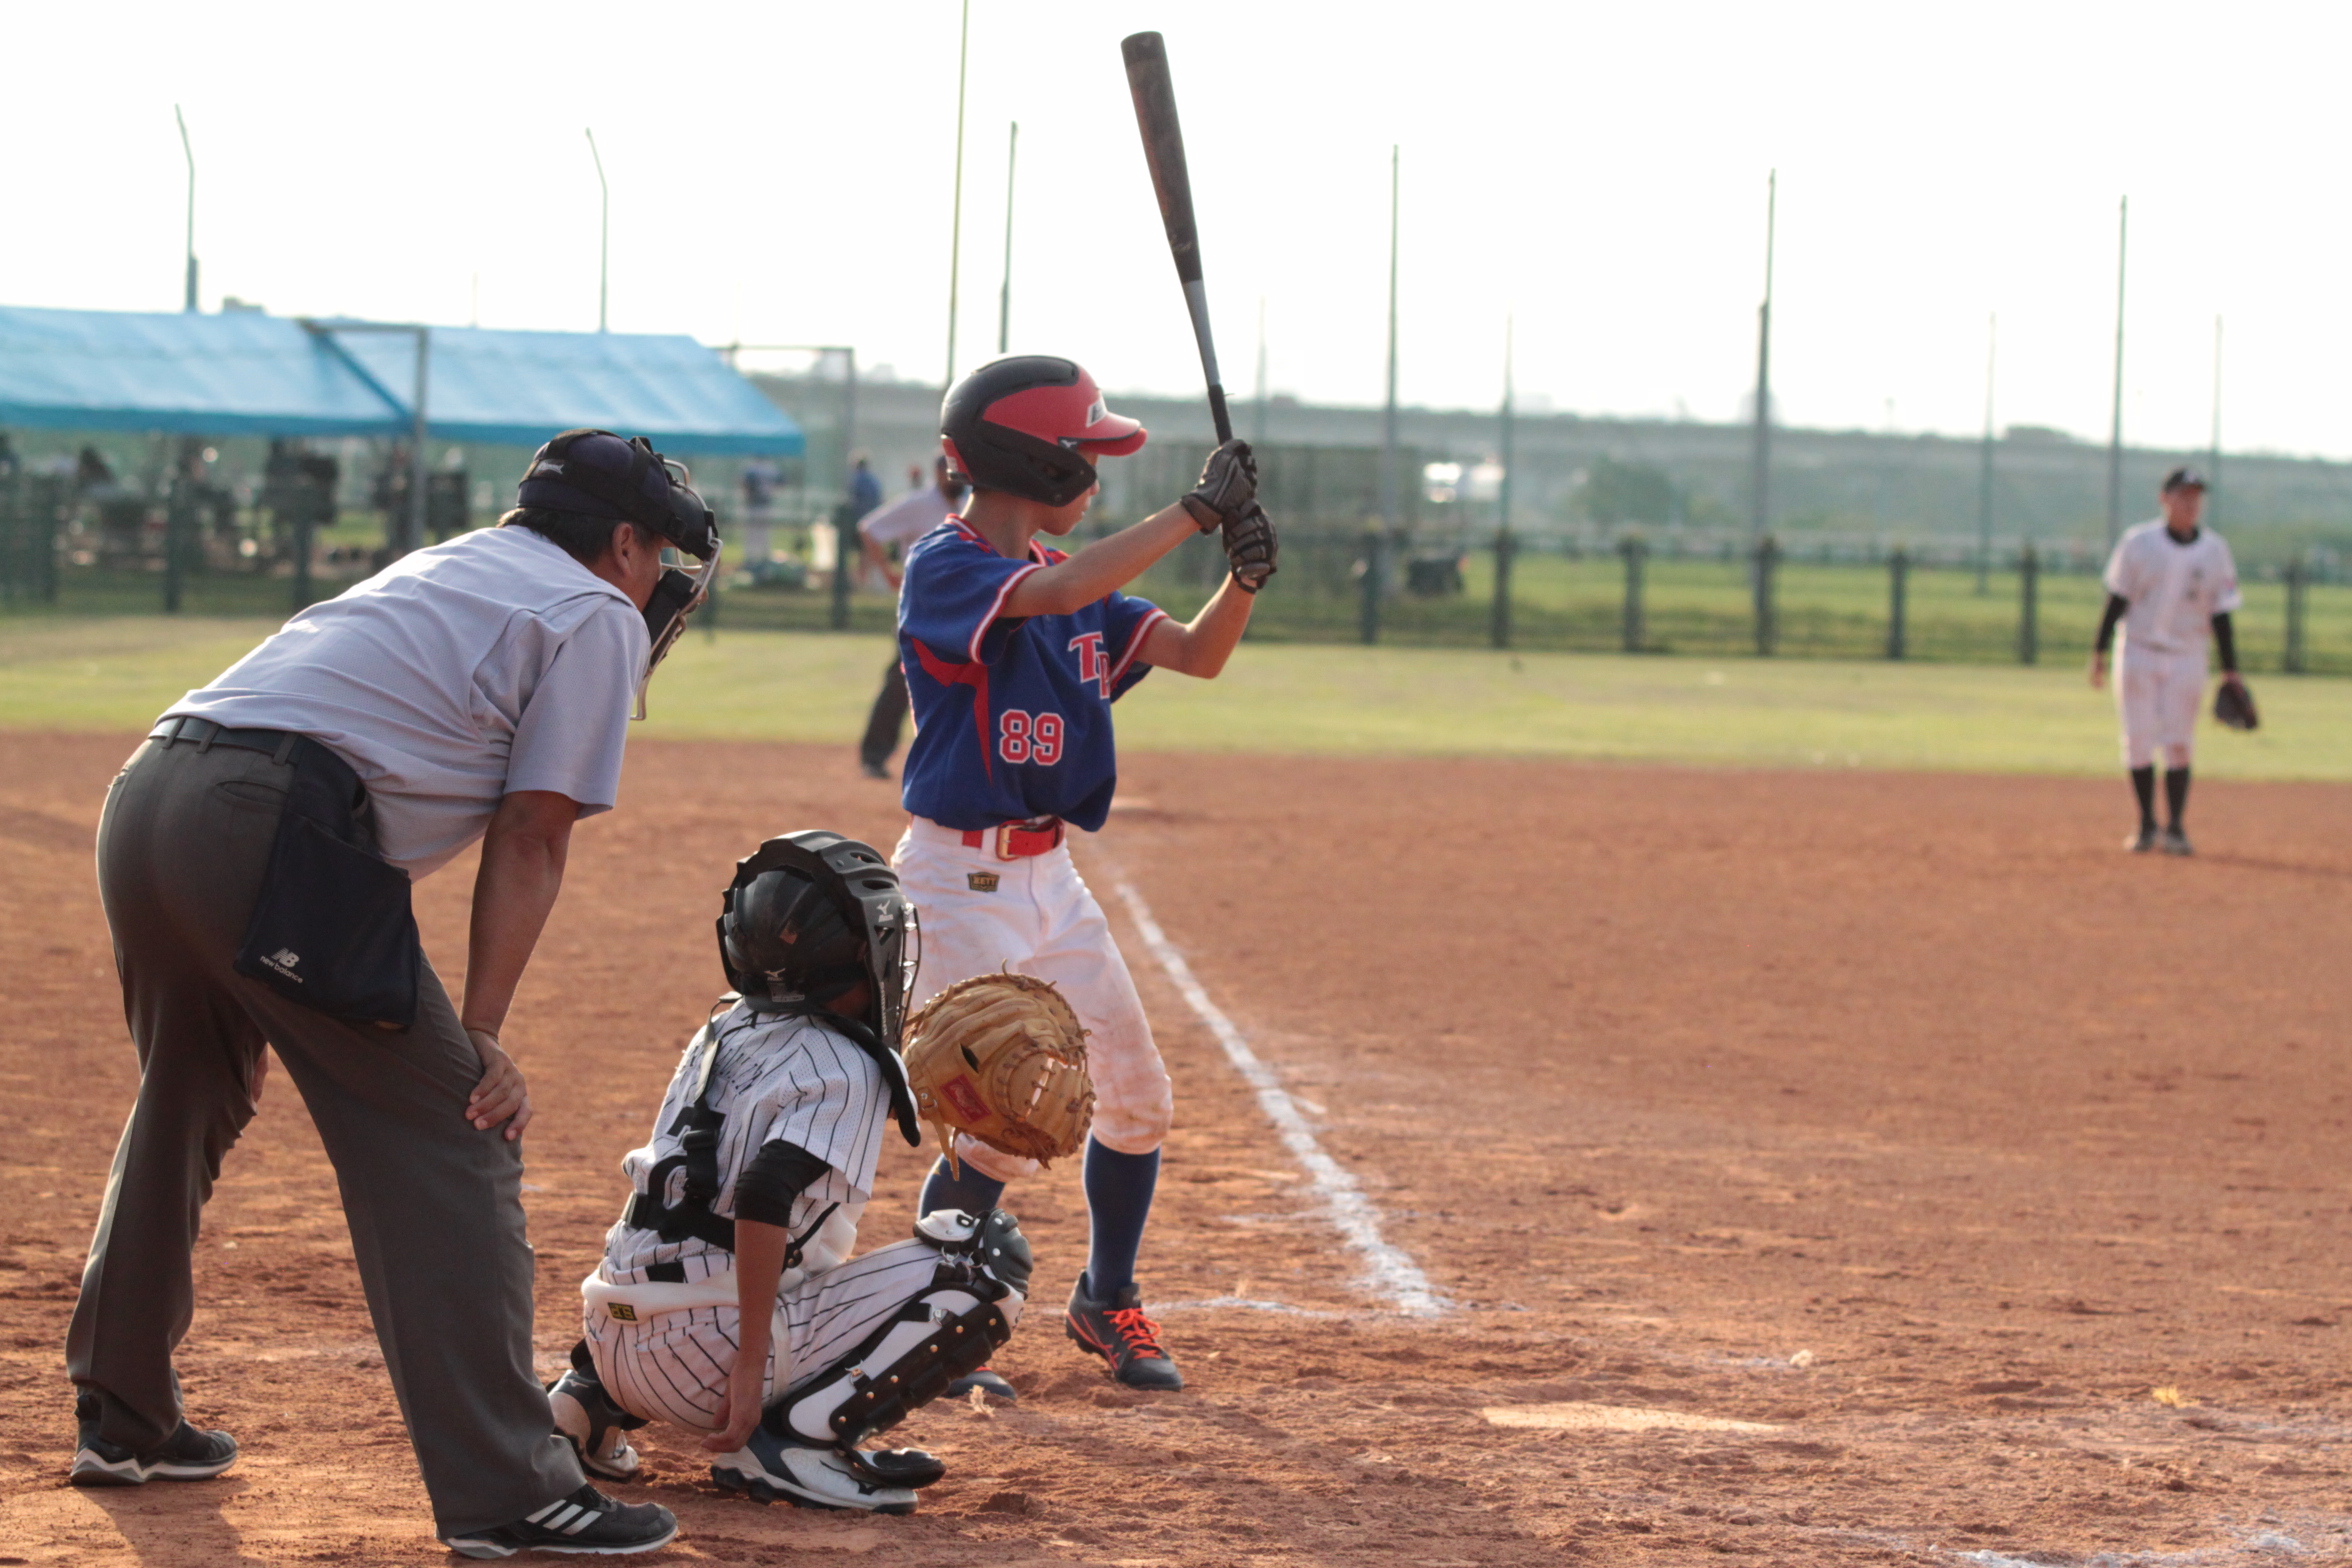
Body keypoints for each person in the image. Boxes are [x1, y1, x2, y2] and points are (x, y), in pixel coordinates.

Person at [66, 428, 723, 1558]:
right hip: (264, 823)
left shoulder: (458, 560)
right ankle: (511, 1492)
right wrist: (481, 1033)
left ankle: (123, 1416)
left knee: (185, 1096)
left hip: (150, 794)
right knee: (457, 1127)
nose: (659, 575)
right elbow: (533, 833)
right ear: (622, 540)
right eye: (657, 549)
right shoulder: (595, 611)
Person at [890, 354, 1274, 1391]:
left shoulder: (1078, 586)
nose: (1098, 477)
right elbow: (1051, 589)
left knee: (1137, 1096)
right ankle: (933, 1325)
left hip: (1050, 879)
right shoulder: (948, 564)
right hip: (957, 882)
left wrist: (1242, 576)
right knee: (991, 1119)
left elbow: (1196, 654)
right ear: (1035, 459)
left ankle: (1106, 1298)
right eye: (1086, 456)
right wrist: (1194, 512)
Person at [547, 831, 1032, 1514]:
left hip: (611, 1338)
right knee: (985, 1259)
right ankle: (794, 1444)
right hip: (707, 1368)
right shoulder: (848, 1066)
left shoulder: (725, 1027)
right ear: (860, 954)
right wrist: (748, 1369)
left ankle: (584, 1405)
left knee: (690, 1222)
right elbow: (763, 1193)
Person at [2090, 465, 2243, 856]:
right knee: (2138, 740)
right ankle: (2145, 824)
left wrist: (2231, 670)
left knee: (2179, 743)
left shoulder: (2215, 551)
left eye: (2196, 496)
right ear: (2164, 498)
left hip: (2188, 655)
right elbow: (2116, 599)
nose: (2190, 503)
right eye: (2182, 495)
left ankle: (2175, 827)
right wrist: (2098, 651)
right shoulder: (2138, 543)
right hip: (2137, 650)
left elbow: (2222, 614)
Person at [854, 456, 968, 779]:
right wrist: (888, 572)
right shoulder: (919, 504)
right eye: (949, 471)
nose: (955, 477)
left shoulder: (971, 503)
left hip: (964, 607)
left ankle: (956, 762)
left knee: (966, 684)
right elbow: (869, 529)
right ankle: (874, 754)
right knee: (901, 680)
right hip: (921, 607)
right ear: (937, 472)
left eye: (960, 471)